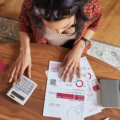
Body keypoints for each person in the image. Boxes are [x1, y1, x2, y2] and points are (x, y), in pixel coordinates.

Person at [8, 0, 103, 86]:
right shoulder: (31, 3)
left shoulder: (92, 5)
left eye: (66, 25)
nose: (59, 32)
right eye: (49, 26)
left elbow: (94, 25)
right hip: (41, 44)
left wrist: (80, 45)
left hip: (76, 44)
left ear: (76, 10)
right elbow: (24, 24)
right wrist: (24, 51)